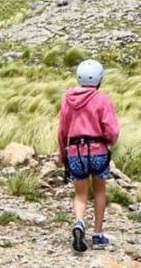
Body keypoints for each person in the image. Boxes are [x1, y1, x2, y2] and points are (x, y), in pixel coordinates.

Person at [58, 59, 120, 252]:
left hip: (75, 151)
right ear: (100, 79)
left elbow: (62, 129)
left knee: (80, 193)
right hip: (98, 150)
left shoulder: (68, 98)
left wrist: (62, 153)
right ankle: (98, 234)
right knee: (99, 191)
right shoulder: (103, 99)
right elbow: (111, 129)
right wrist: (110, 141)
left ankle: (78, 223)